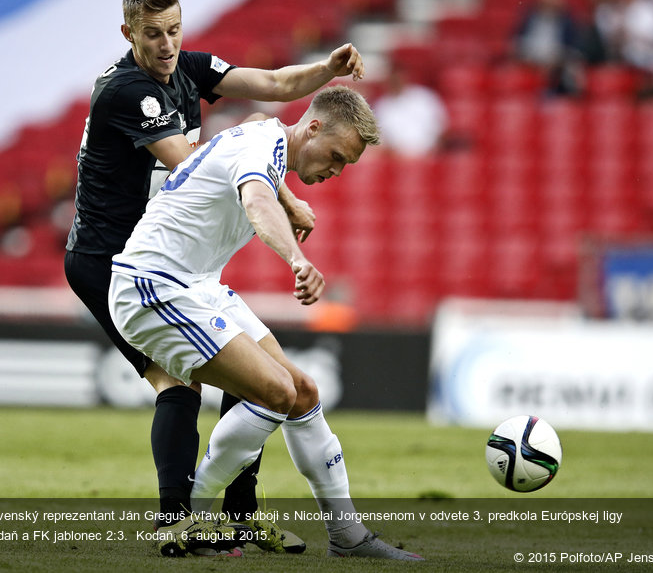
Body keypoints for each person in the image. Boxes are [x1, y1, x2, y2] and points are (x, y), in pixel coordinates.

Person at [64, 0, 367, 556]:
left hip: (171, 261)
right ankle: (179, 523)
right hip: (110, 260)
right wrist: (284, 193)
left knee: (242, 362)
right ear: (128, 34)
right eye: (152, 34)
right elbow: (196, 164)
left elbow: (276, 84)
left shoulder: (187, 69)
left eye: (174, 30)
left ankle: (236, 518)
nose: (167, 44)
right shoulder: (128, 92)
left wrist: (326, 70)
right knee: (176, 381)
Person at [109, 85, 424, 560]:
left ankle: (348, 536)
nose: (336, 170)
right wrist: (297, 259)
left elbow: (255, 126)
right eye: (336, 156)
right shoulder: (260, 147)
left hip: (197, 285)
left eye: (346, 166)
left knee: (303, 394)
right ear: (312, 127)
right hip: (154, 284)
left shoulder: (263, 137)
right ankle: (185, 520)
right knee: (275, 392)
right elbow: (256, 202)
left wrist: (289, 196)